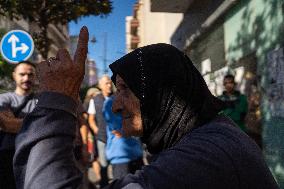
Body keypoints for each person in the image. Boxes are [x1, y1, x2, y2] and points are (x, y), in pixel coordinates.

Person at [13, 27, 279, 189]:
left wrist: (57, 99)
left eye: (126, 90)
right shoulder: (207, 138)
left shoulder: (206, 155)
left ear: (164, 92)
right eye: (115, 91)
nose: (116, 106)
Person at [0, 61, 37, 189]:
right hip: (8, 156)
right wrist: (38, 122)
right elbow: (7, 125)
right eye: (22, 74)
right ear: (14, 75)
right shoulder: (4, 99)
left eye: (30, 74)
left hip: (34, 157)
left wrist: (16, 121)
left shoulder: (42, 100)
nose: (26, 78)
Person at [103, 96, 144, 180]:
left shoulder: (134, 99)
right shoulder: (110, 102)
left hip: (136, 154)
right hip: (120, 157)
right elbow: (116, 127)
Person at [88, 75, 112, 187]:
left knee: (119, 165)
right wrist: (96, 130)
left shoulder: (117, 97)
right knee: (104, 165)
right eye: (106, 83)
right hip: (102, 138)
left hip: (117, 138)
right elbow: (91, 119)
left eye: (110, 83)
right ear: (100, 85)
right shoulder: (95, 100)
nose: (109, 85)